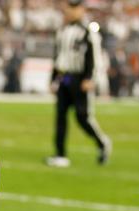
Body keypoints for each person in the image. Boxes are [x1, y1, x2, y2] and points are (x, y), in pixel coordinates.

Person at [45, 0, 111, 168]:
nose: (71, 11)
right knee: (60, 116)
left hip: (80, 78)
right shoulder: (62, 31)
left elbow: (94, 57)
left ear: (81, 9)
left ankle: (102, 143)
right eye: (69, 7)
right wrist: (53, 79)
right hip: (65, 77)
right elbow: (58, 57)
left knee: (83, 117)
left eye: (75, 7)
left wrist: (90, 78)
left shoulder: (88, 31)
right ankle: (60, 154)